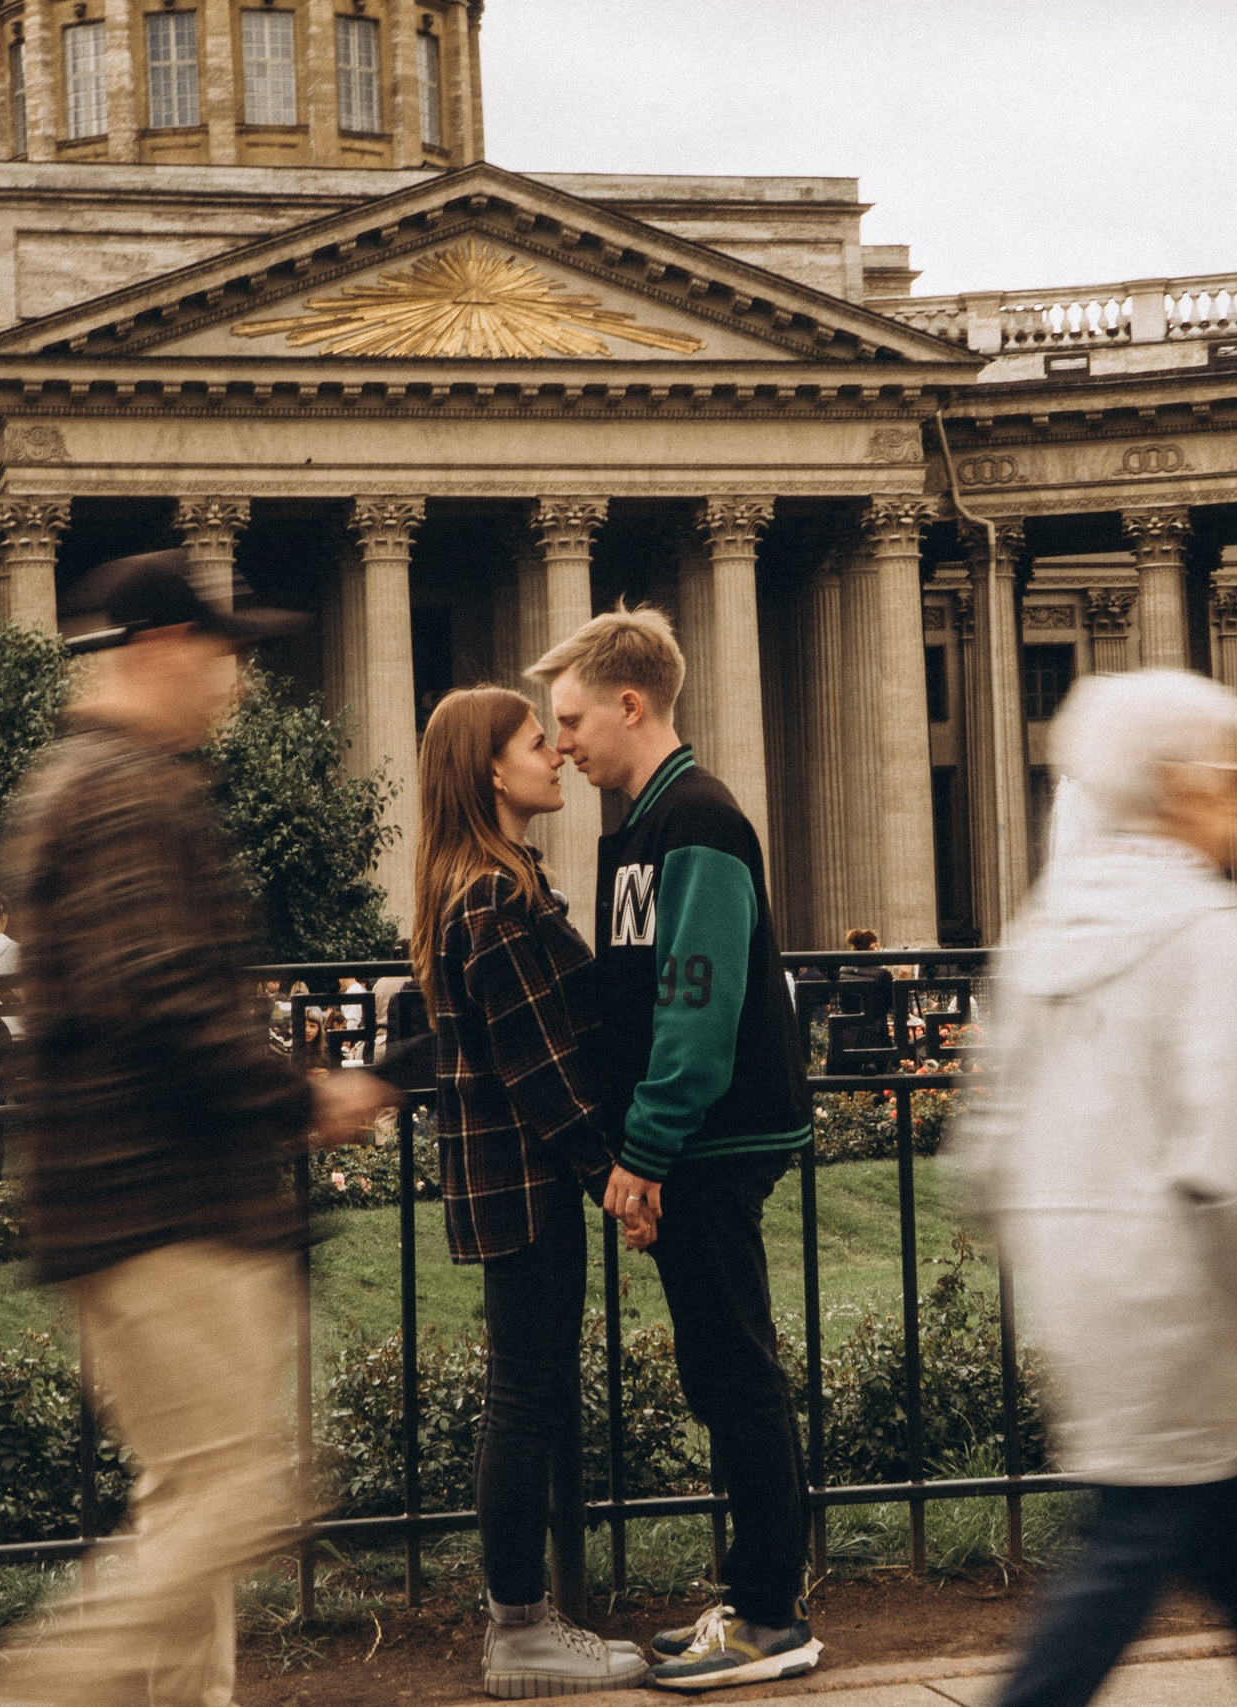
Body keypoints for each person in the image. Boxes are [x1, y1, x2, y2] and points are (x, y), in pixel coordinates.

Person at [0, 549, 394, 1707]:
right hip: (164, 1206)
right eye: (226, 658)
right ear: (163, 646)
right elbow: (157, 996)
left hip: (125, 1204)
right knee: (240, 1492)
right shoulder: (127, 789)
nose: (237, 687)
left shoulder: (84, 779)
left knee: (190, 1492)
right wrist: (300, 1095)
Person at [959, 670, 1237, 1707]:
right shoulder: (1208, 931)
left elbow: (987, 1143)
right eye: (1234, 780)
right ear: (1176, 787)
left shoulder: (1042, 930)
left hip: (1087, 1294)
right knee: (1130, 1559)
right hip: (1193, 1305)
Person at [531, 605, 820, 1692]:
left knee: (735, 1371)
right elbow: (645, 997)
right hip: (698, 1135)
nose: (561, 742)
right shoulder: (651, 820)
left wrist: (642, 1155)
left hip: (714, 1133)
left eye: (569, 719)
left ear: (628, 702)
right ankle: (755, 1600)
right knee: (721, 1367)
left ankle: (768, 1616)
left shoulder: (693, 820)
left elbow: (696, 1011)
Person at [413, 686, 649, 1697]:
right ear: (488, 770)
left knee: (527, 1393)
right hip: (529, 1178)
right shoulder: (495, 897)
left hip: (508, 1177)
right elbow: (537, 1064)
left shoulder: (485, 883)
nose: (553, 752)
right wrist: (610, 1177)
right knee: (524, 1398)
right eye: (529, 742)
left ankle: (524, 1623)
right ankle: (518, 1630)